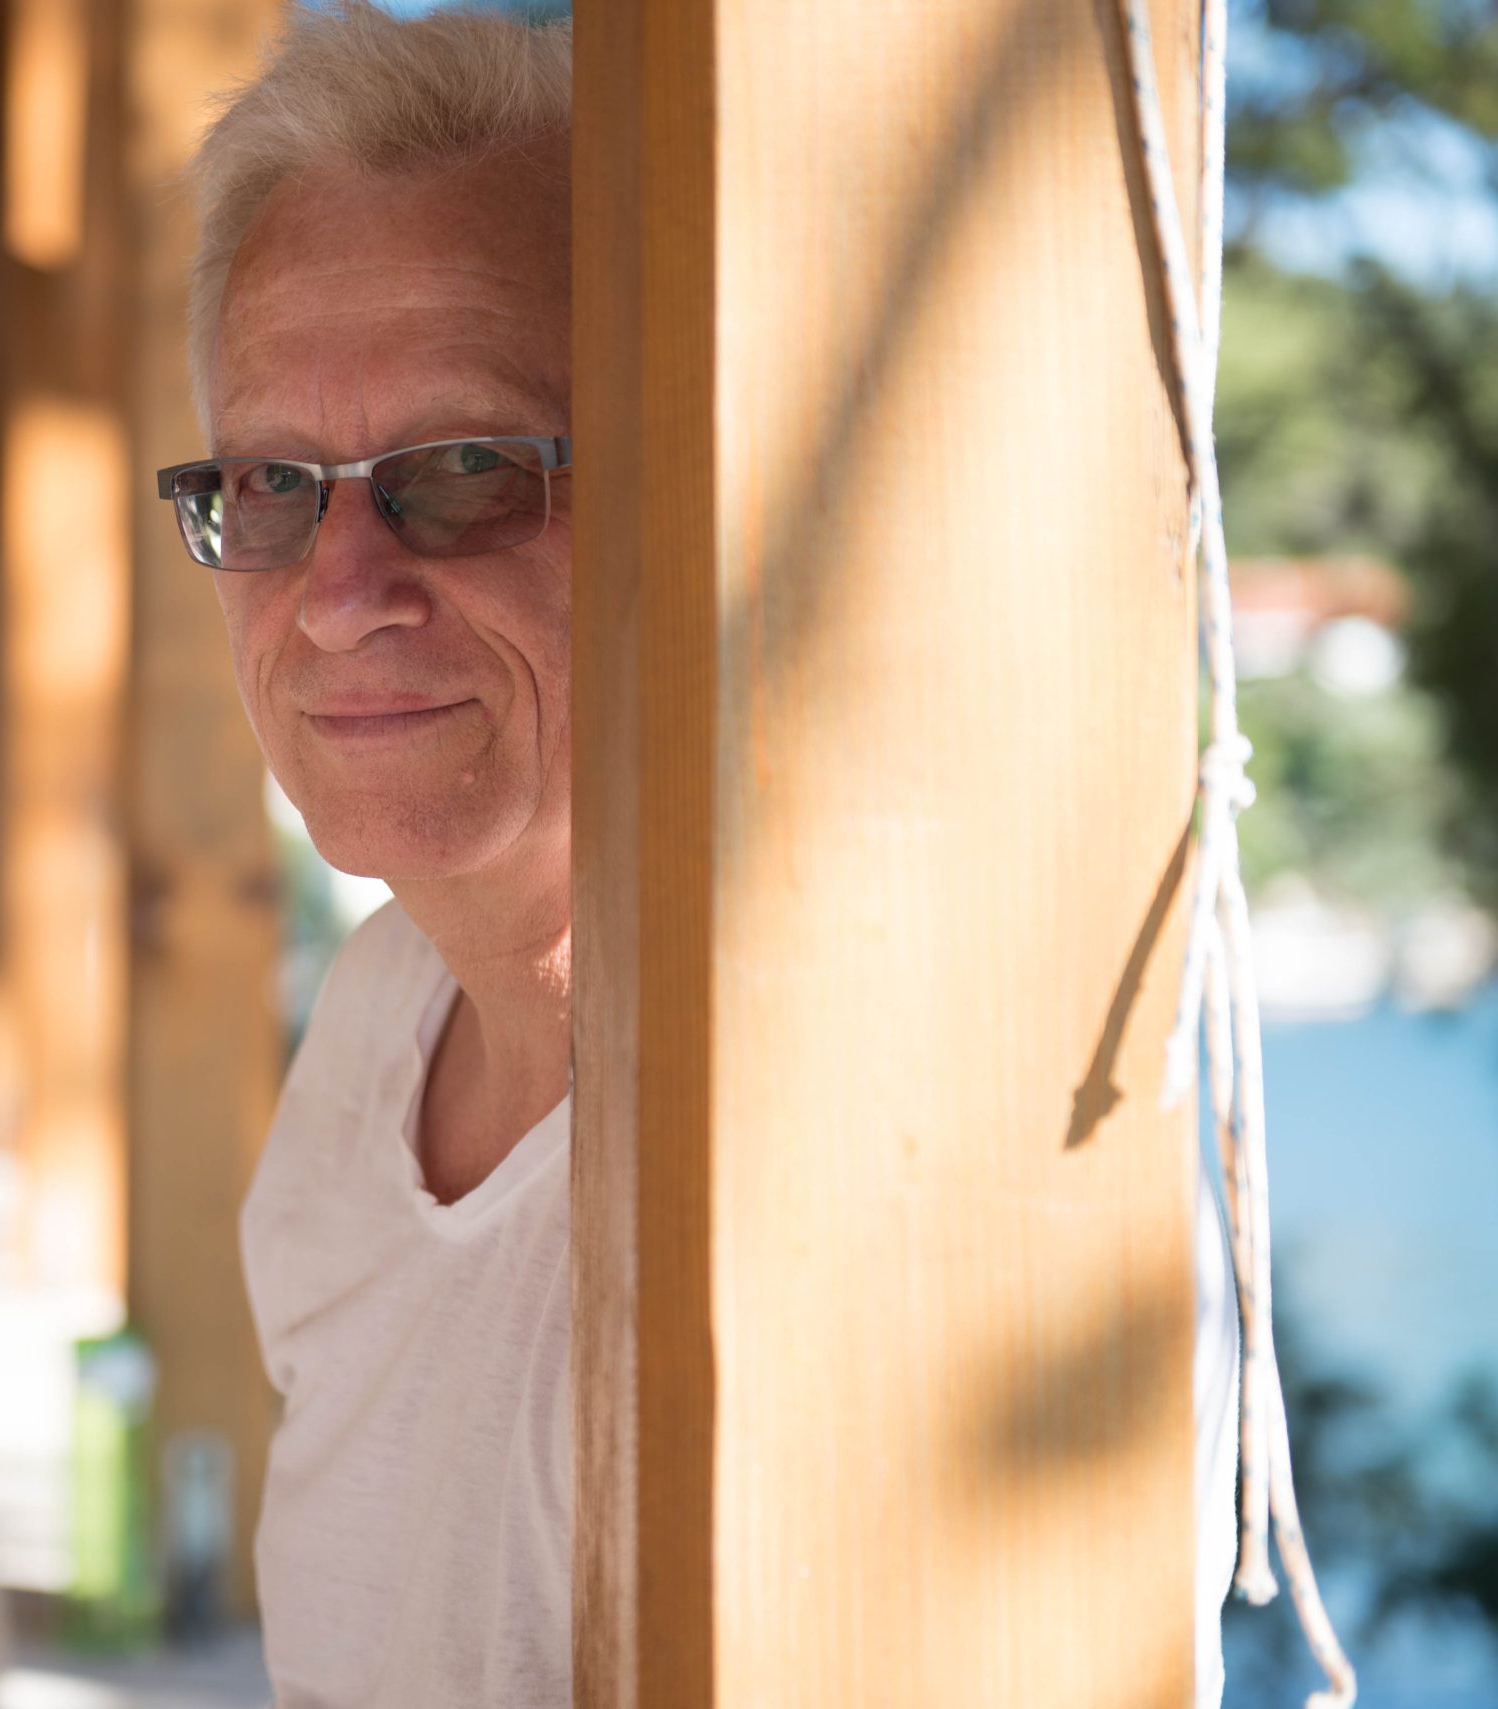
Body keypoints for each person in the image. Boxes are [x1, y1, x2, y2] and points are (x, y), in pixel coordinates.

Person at [153, 5, 1242, 1706]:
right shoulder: (380, 1022)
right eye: (275, 482)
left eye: (464, 466)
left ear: (688, 485)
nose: (342, 591)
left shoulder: (872, 1153)